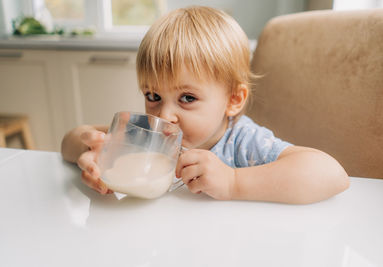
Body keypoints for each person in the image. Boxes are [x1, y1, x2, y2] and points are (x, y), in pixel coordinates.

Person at [61, 6, 349, 204]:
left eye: (187, 98)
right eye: (153, 96)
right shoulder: (146, 134)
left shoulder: (242, 143)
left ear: (233, 100)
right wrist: (93, 150)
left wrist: (234, 182)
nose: (165, 115)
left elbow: (332, 175)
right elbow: (68, 143)